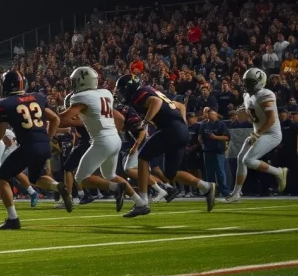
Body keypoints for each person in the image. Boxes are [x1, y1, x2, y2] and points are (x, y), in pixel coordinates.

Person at [115, 74, 216, 217]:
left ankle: (142, 202)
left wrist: (146, 121)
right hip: (180, 131)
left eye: (121, 90)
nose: (120, 93)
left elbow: (155, 102)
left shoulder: (140, 94)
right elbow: (180, 106)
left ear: (129, 88)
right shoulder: (150, 90)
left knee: (143, 157)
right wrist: (182, 124)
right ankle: (205, 187)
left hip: (170, 129)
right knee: (171, 174)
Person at [56, 68, 147, 214]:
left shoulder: (81, 98)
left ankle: (116, 188)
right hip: (115, 139)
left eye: (75, 81)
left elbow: (62, 119)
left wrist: (49, 117)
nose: (73, 84)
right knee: (110, 175)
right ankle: (140, 203)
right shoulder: (105, 93)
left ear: (83, 81)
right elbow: (119, 117)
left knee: (81, 178)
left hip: (101, 141)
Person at [0, 70, 70, 230]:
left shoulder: (4, 104)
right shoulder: (37, 97)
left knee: (2, 177)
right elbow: (55, 118)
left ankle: (13, 219)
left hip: (28, 146)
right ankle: (58, 186)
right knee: (36, 177)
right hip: (44, 145)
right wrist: (48, 138)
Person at [223, 68, 288, 202]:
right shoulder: (247, 95)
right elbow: (249, 117)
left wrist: (257, 134)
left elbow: (271, 118)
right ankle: (236, 193)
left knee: (248, 160)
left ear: (260, 81)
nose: (246, 85)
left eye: (250, 82)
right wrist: (243, 113)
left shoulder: (265, 94)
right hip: (259, 132)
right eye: (246, 81)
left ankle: (279, 172)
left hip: (271, 133)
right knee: (241, 158)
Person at [198, 108, 231, 197]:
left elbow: (227, 137)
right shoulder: (204, 125)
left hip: (218, 151)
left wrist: (216, 137)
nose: (209, 115)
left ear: (216, 115)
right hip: (207, 151)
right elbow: (200, 135)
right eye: (208, 114)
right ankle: (212, 191)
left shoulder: (221, 124)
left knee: (220, 172)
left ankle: (225, 191)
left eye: (211, 114)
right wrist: (200, 140)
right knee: (209, 173)